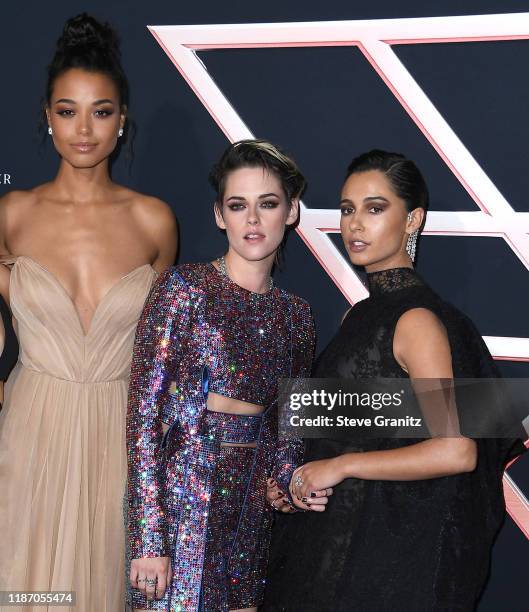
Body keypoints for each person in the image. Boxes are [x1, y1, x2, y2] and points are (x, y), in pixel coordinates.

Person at [263, 150, 526, 611]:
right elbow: (343, 433)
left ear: (413, 219)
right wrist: (295, 483)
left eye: (375, 207)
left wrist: (340, 467)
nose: (355, 224)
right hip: (332, 544)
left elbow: (456, 450)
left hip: (382, 559)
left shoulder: (417, 319)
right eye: (347, 209)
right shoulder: (357, 315)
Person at [0, 14, 176, 611]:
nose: (84, 128)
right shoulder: (12, 215)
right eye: (67, 110)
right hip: (28, 431)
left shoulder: (154, 221)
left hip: (117, 434)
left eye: (101, 111)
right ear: (45, 116)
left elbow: (162, 353)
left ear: (123, 120)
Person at [126, 140, 330, 612]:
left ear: (292, 212)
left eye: (268, 204)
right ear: (220, 215)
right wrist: (147, 535)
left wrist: (287, 485)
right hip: (182, 499)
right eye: (238, 206)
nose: (253, 220)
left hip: (248, 515)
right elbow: (143, 418)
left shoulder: (297, 316)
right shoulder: (183, 289)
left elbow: (288, 427)